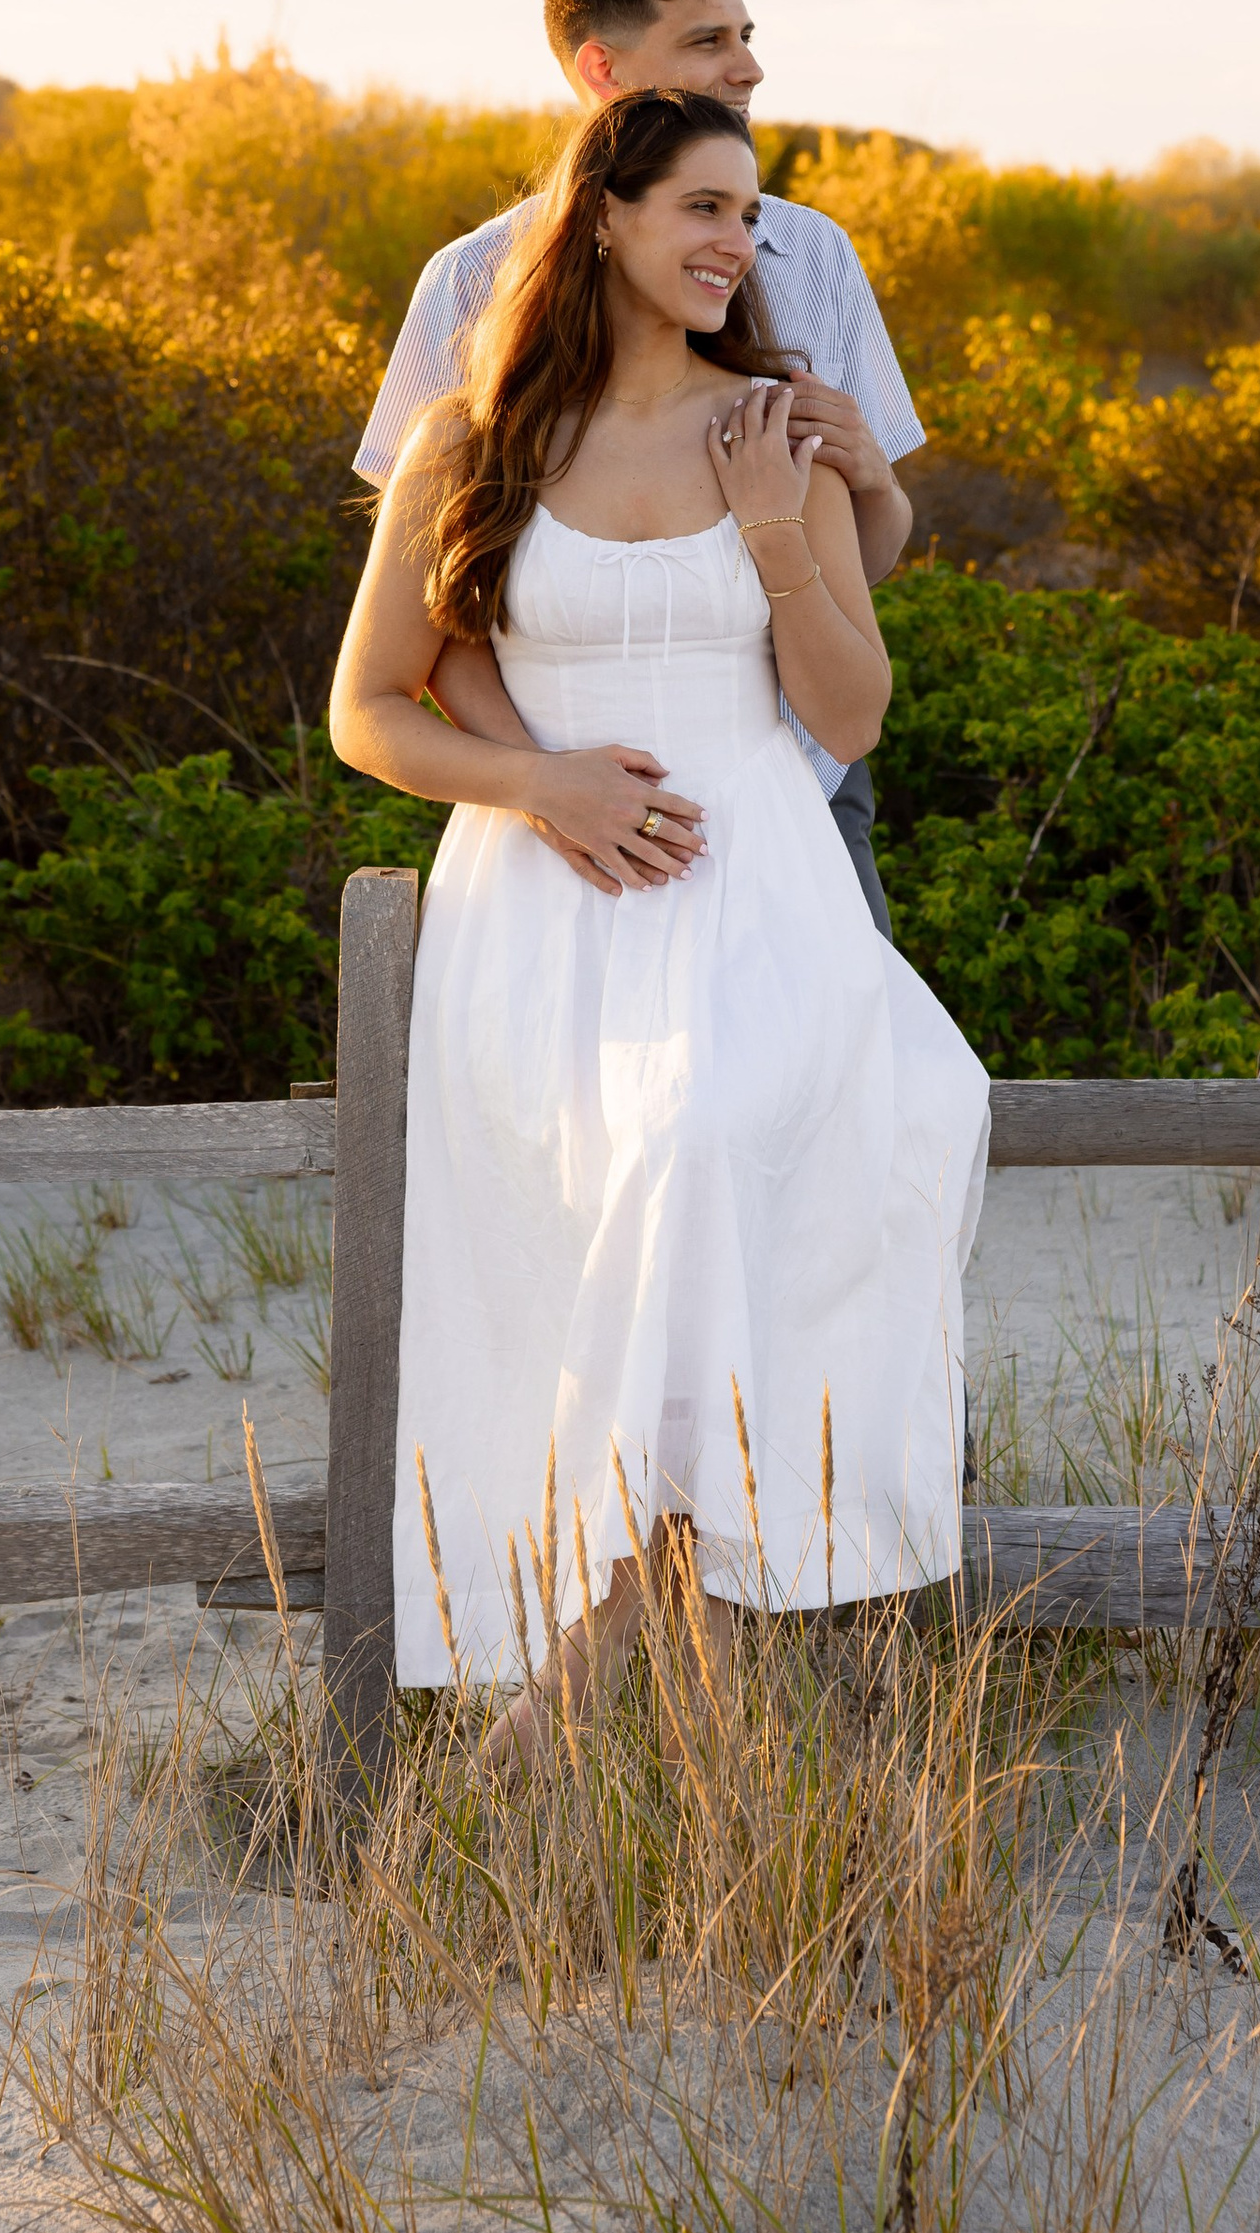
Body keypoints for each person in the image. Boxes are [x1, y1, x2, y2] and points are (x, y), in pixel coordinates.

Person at [330, 86, 990, 1737]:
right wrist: (540, 783)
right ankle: (619, 1652)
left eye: (748, 216)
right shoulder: (472, 441)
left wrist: (776, 526)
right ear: (605, 214)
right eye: (703, 205)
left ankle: (578, 1682)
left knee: (694, 1142)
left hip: (756, 891)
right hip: (542, 905)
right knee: (588, 1232)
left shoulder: (770, 429)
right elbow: (370, 708)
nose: (735, 243)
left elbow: (849, 715)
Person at [357, 0, 921, 934]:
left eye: (745, 35)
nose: (748, 67)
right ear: (602, 68)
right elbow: (437, 605)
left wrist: (864, 484)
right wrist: (547, 784)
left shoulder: (815, 256)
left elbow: (854, 582)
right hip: (553, 828)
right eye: (708, 40)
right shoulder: (468, 285)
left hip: (799, 795)